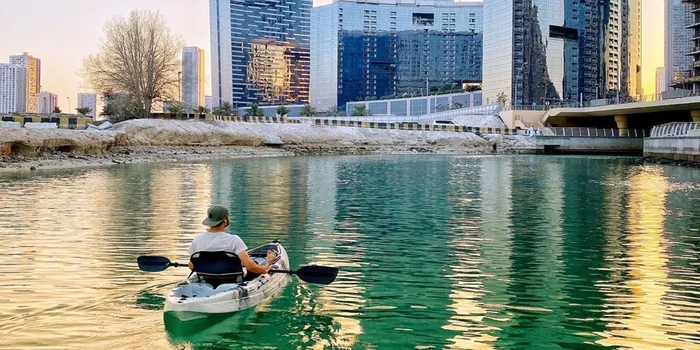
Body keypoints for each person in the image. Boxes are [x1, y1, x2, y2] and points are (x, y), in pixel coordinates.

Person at [188, 205, 276, 275]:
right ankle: (268, 262)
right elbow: (250, 266)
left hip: (207, 278)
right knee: (251, 265)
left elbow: (191, 266)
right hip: (231, 280)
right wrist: (267, 265)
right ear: (225, 221)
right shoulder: (234, 240)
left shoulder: (198, 239)